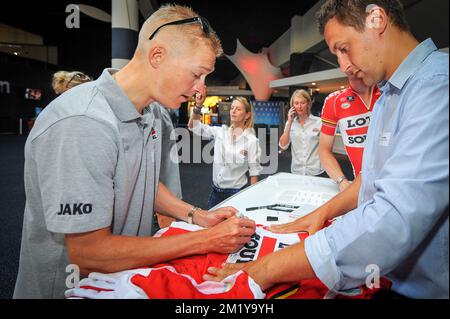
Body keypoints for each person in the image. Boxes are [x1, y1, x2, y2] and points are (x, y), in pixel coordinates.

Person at [205, 0, 449, 299]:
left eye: (344, 48)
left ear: (377, 19)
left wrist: (264, 269)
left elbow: (394, 219)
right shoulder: (388, 95)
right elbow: (371, 178)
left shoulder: (437, 86)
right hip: (388, 278)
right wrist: (321, 213)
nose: (345, 65)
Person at [14, 4, 256, 299]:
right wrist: (206, 240)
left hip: (122, 282)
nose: (199, 90)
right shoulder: (84, 123)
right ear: (157, 55)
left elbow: (138, 181)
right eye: (197, 74)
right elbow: (90, 254)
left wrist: (196, 216)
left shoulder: (153, 113)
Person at [188, 92, 263, 209]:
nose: (233, 111)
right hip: (216, 193)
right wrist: (198, 106)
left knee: (235, 226)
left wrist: (252, 200)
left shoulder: (251, 141)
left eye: (238, 109)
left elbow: (254, 172)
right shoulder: (221, 132)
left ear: (247, 115)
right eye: (232, 108)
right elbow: (194, 127)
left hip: (236, 193)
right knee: (212, 226)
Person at [319, 75, 380, 191]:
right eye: (341, 55)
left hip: (397, 184)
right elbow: (323, 150)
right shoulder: (334, 100)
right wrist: (342, 182)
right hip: (361, 187)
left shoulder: (389, 93)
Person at [279, 89, 325, 177]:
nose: (299, 106)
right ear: (292, 106)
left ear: (308, 104)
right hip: (297, 171)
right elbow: (283, 146)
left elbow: (326, 148)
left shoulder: (319, 122)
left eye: (302, 103)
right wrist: (289, 122)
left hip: (316, 171)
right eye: (296, 103)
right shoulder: (290, 123)